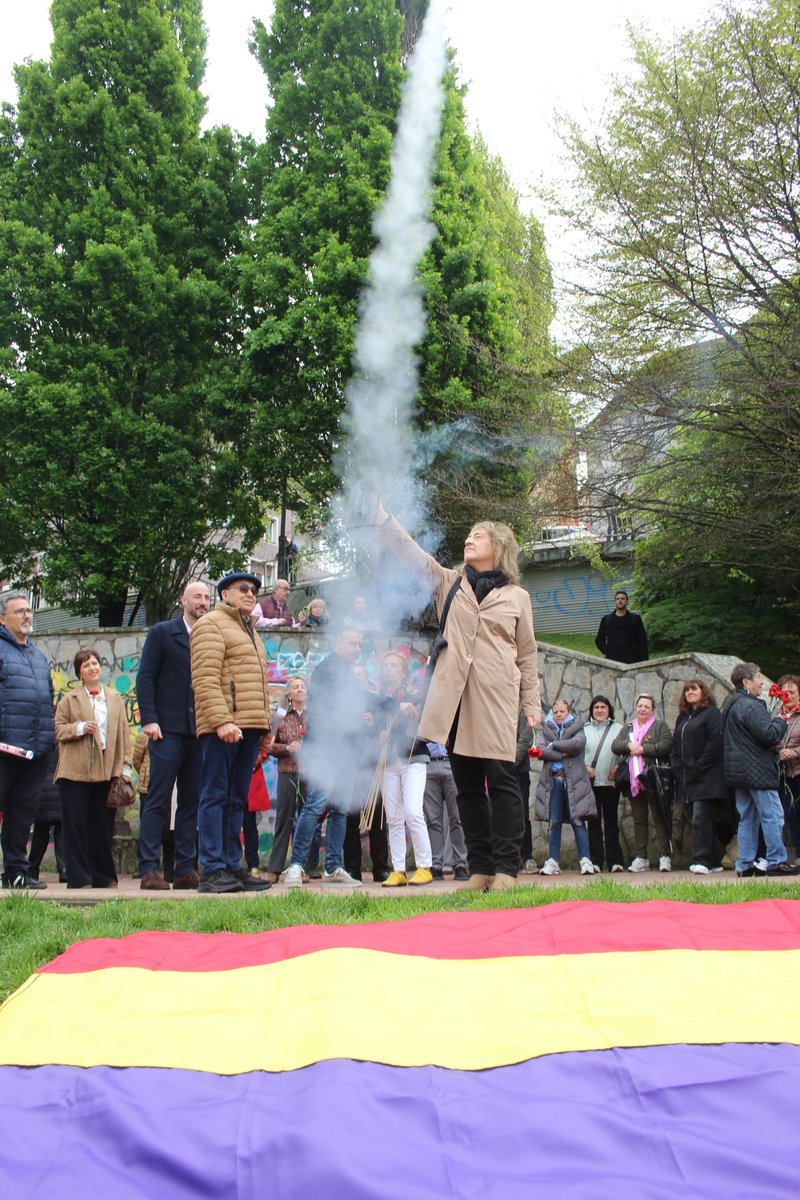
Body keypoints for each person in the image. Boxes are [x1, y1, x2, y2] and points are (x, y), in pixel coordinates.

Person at [373, 499, 541, 892]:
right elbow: (411, 555)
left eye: (478, 536)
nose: (469, 539)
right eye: (468, 536)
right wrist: (383, 517)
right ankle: (480, 869)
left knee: (503, 784)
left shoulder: (518, 598)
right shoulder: (448, 581)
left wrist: (531, 705)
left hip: (498, 698)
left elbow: (527, 654)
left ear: (498, 547)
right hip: (457, 701)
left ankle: (507, 871)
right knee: (467, 787)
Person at [190, 571, 274, 893]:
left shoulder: (251, 631)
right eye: (243, 589)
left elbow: (260, 686)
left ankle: (231, 866)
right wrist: (222, 720)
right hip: (223, 727)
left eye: (254, 590)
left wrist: (264, 727)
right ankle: (212, 870)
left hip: (248, 729)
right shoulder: (211, 624)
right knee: (215, 795)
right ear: (224, 594)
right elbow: (205, 678)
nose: (250, 593)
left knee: (236, 799)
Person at [135, 580, 209, 891]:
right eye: (197, 597)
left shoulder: (211, 638)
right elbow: (146, 677)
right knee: (158, 800)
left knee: (191, 802)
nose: (203, 602)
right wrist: (149, 719)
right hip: (166, 731)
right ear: (183, 600)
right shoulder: (162, 633)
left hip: (199, 732)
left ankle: (184, 868)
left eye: (207, 597)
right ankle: (150, 869)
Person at [283, 626, 369, 889]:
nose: (356, 649)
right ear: (339, 641)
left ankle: (332, 866)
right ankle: (296, 865)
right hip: (326, 748)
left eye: (360, 646)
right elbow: (327, 710)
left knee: (340, 810)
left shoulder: (348, 673)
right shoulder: (326, 669)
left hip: (345, 751)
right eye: (352, 643)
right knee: (316, 805)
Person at [54, 648, 132, 889]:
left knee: (102, 825)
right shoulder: (70, 699)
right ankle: (79, 877)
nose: (92, 668)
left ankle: (103, 875)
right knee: (75, 824)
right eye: (86, 665)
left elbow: (123, 735)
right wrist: (78, 728)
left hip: (105, 771)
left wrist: (125, 766)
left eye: (95, 663)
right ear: (79, 672)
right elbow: (58, 729)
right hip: (74, 771)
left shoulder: (114, 697)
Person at [0, 591, 57, 889]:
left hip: (36, 749)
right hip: (5, 745)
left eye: (28, 610)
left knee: (22, 813)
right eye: (19, 611)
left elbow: (47, 697)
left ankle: (16, 872)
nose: (26, 615)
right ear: (2, 618)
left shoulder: (36, 654)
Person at [722, 662, 800, 877]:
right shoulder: (750, 705)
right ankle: (776, 861)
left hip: (738, 773)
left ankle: (744, 864)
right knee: (773, 815)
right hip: (757, 771)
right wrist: (780, 720)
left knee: (747, 817)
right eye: (758, 677)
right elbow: (769, 735)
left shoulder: (730, 704)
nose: (762, 681)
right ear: (746, 682)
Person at [370, 651, 433, 887]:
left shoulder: (413, 696)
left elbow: (416, 721)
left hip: (413, 758)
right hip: (388, 762)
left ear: (404, 671)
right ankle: (398, 869)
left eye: (394, 665)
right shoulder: (377, 698)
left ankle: (424, 866)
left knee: (413, 812)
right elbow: (373, 719)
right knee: (393, 818)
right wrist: (378, 734)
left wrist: (398, 710)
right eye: (386, 664)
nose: (389, 668)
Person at [670, 680, 728, 874]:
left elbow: (716, 741)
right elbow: (675, 745)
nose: (690, 692)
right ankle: (713, 860)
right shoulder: (682, 718)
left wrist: (699, 765)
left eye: (694, 689)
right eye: (686, 690)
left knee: (700, 818)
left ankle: (702, 860)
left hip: (706, 776)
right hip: (687, 779)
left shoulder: (711, 713)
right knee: (701, 819)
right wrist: (677, 767)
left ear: (704, 692)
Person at [612, 694, 673, 872]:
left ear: (652, 709)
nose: (642, 709)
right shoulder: (629, 726)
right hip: (634, 780)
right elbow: (616, 745)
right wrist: (629, 744)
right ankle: (641, 857)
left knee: (659, 817)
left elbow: (666, 744)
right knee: (639, 819)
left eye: (646, 706)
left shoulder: (659, 726)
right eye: (640, 706)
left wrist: (643, 749)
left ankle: (664, 856)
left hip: (654, 780)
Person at [536, 699, 597, 875]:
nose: (558, 714)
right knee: (554, 822)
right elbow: (540, 751)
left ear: (568, 712)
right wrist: (563, 752)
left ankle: (585, 860)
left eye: (562, 711)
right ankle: (553, 860)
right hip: (553, 781)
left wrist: (553, 745)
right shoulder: (546, 728)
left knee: (577, 820)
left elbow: (577, 744)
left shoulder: (577, 726)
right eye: (555, 712)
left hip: (574, 782)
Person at [264, 677, 313, 883]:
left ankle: (305, 867)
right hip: (287, 771)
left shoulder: (315, 717)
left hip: (310, 773)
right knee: (284, 819)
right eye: (295, 687)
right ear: (289, 694)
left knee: (307, 820)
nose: (300, 689)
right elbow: (267, 746)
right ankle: (274, 868)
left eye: (302, 686)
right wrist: (286, 748)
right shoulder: (280, 717)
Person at [584, 695, 625, 872]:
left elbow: (626, 753)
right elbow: (577, 753)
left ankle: (615, 861)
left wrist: (618, 766)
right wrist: (585, 767)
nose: (599, 710)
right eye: (596, 707)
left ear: (609, 710)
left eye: (603, 707)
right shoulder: (583, 730)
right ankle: (596, 861)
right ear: (592, 711)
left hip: (611, 783)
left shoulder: (619, 729)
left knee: (611, 822)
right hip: (591, 783)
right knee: (593, 823)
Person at [423, 742, 469, 881]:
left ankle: (460, 864)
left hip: (452, 762)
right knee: (433, 820)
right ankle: (436, 865)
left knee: (457, 818)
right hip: (428, 763)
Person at [27, 747, 66, 883]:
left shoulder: (41, 741)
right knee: (61, 833)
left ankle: (32, 869)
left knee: (40, 833)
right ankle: (64, 869)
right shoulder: (62, 740)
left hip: (42, 791)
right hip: (59, 789)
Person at [776, 674, 800, 861]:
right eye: (785, 692)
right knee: (790, 816)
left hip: (799, 771)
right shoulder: (776, 716)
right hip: (784, 775)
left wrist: (796, 752)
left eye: (792, 692)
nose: (788, 695)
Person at [595, 590, 648, 663]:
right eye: (618, 599)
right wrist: (608, 651)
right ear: (615, 601)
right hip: (613, 661)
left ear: (627, 601)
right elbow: (599, 640)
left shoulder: (635, 619)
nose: (620, 601)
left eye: (622, 599)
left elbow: (643, 641)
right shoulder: (606, 620)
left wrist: (644, 660)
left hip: (633, 660)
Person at [514, 708, 537, 872]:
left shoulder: (521, 710)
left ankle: (526, 857)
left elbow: (526, 737)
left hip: (518, 771)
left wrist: (508, 761)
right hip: (496, 771)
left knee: (521, 814)